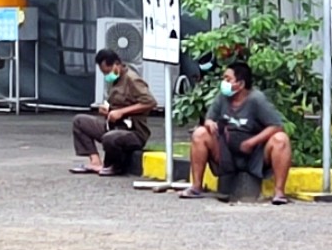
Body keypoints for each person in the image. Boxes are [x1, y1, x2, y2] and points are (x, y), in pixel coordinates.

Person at [181, 61, 294, 204]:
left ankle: (279, 193)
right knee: (200, 134)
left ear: (240, 84)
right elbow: (209, 118)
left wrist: (253, 142)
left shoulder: (256, 99)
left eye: (228, 79)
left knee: (281, 139)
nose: (224, 82)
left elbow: (277, 126)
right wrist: (210, 123)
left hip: (255, 155)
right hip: (226, 151)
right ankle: (196, 187)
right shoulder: (222, 97)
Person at [70, 48, 158, 176]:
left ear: (117, 64)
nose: (107, 76)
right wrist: (107, 110)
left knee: (110, 138)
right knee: (79, 121)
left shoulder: (132, 79)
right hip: (112, 126)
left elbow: (151, 102)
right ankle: (95, 162)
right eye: (104, 73)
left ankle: (115, 166)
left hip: (133, 132)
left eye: (108, 72)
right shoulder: (115, 80)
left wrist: (122, 112)